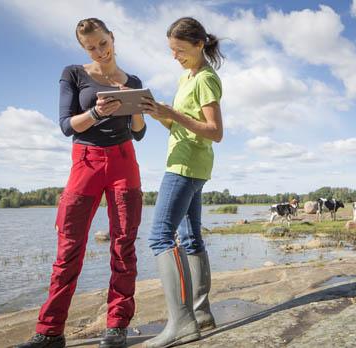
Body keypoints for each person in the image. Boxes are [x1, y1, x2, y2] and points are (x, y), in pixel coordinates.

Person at [16, 18, 146, 348]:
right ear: (83, 49)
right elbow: (66, 125)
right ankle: (49, 330)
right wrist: (98, 113)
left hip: (123, 161)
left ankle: (116, 325)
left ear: (112, 38)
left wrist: (138, 108)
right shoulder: (73, 74)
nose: (99, 51)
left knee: (123, 245)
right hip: (85, 160)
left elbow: (140, 132)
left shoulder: (132, 80)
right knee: (69, 246)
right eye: (91, 47)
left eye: (103, 43)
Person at [139, 17, 223, 348]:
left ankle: (182, 323)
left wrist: (173, 114)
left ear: (199, 44)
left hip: (186, 167)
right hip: (189, 162)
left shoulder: (205, 79)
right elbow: (180, 128)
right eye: (172, 50)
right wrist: (158, 112)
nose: (175, 56)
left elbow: (215, 131)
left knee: (160, 236)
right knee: (189, 237)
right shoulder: (185, 76)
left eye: (180, 50)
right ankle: (200, 314)